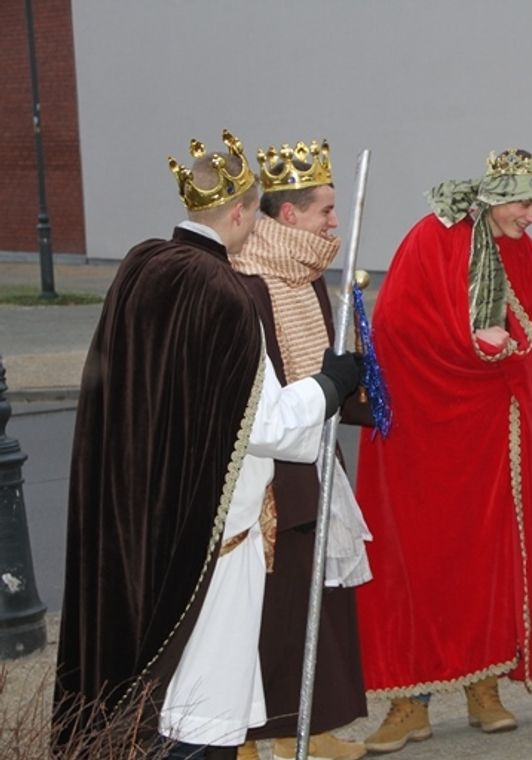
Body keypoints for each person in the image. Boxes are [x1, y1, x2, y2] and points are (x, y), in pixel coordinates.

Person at [53, 131, 361, 759]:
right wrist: (332, 384)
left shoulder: (142, 267)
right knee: (204, 714)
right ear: (243, 212)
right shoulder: (222, 293)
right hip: (214, 546)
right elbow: (269, 425)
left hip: (146, 520)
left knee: (158, 697)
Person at [354, 148, 532, 753]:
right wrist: (472, 345)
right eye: (526, 201)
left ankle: (484, 685)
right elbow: (398, 328)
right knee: (417, 562)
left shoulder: (523, 255)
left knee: (489, 559)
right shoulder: (432, 238)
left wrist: (504, 350)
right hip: (425, 438)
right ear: (497, 194)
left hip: (492, 439)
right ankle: (408, 702)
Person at [229, 139, 370, 760]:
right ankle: (258, 737)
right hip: (265, 471)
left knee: (318, 597)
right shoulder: (248, 283)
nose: (333, 223)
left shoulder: (308, 276)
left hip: (313, 454)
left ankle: (306, 726)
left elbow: (324, 370)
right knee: (268, 608)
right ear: (290, 216)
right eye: (325, 211)